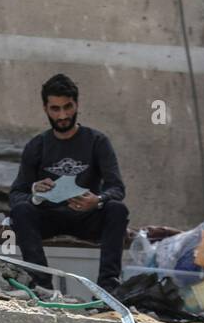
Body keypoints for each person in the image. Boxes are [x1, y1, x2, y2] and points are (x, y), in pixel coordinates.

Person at [8, 73, 129, 292]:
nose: (63, 115)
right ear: (45, 108)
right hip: (49, 216)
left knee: (117, 210)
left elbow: (117, 188)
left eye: (68, 107)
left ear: (77, 105)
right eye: (55, 109)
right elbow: (16, 194)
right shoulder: (37, 145)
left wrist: (98, 200)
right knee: (21, 211)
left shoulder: (97, 142)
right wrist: (36, 192)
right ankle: (41, 284)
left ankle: (109, 288)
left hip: (87, 217)